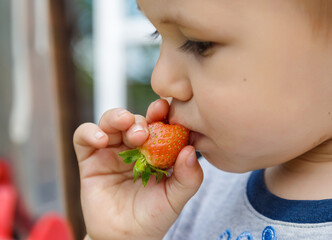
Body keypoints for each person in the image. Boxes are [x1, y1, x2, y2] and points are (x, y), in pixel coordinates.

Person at [73, 0, 332, 239]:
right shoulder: (186, 194)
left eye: (199, 43)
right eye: (157, 36)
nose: (159, 79)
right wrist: (117, 235)